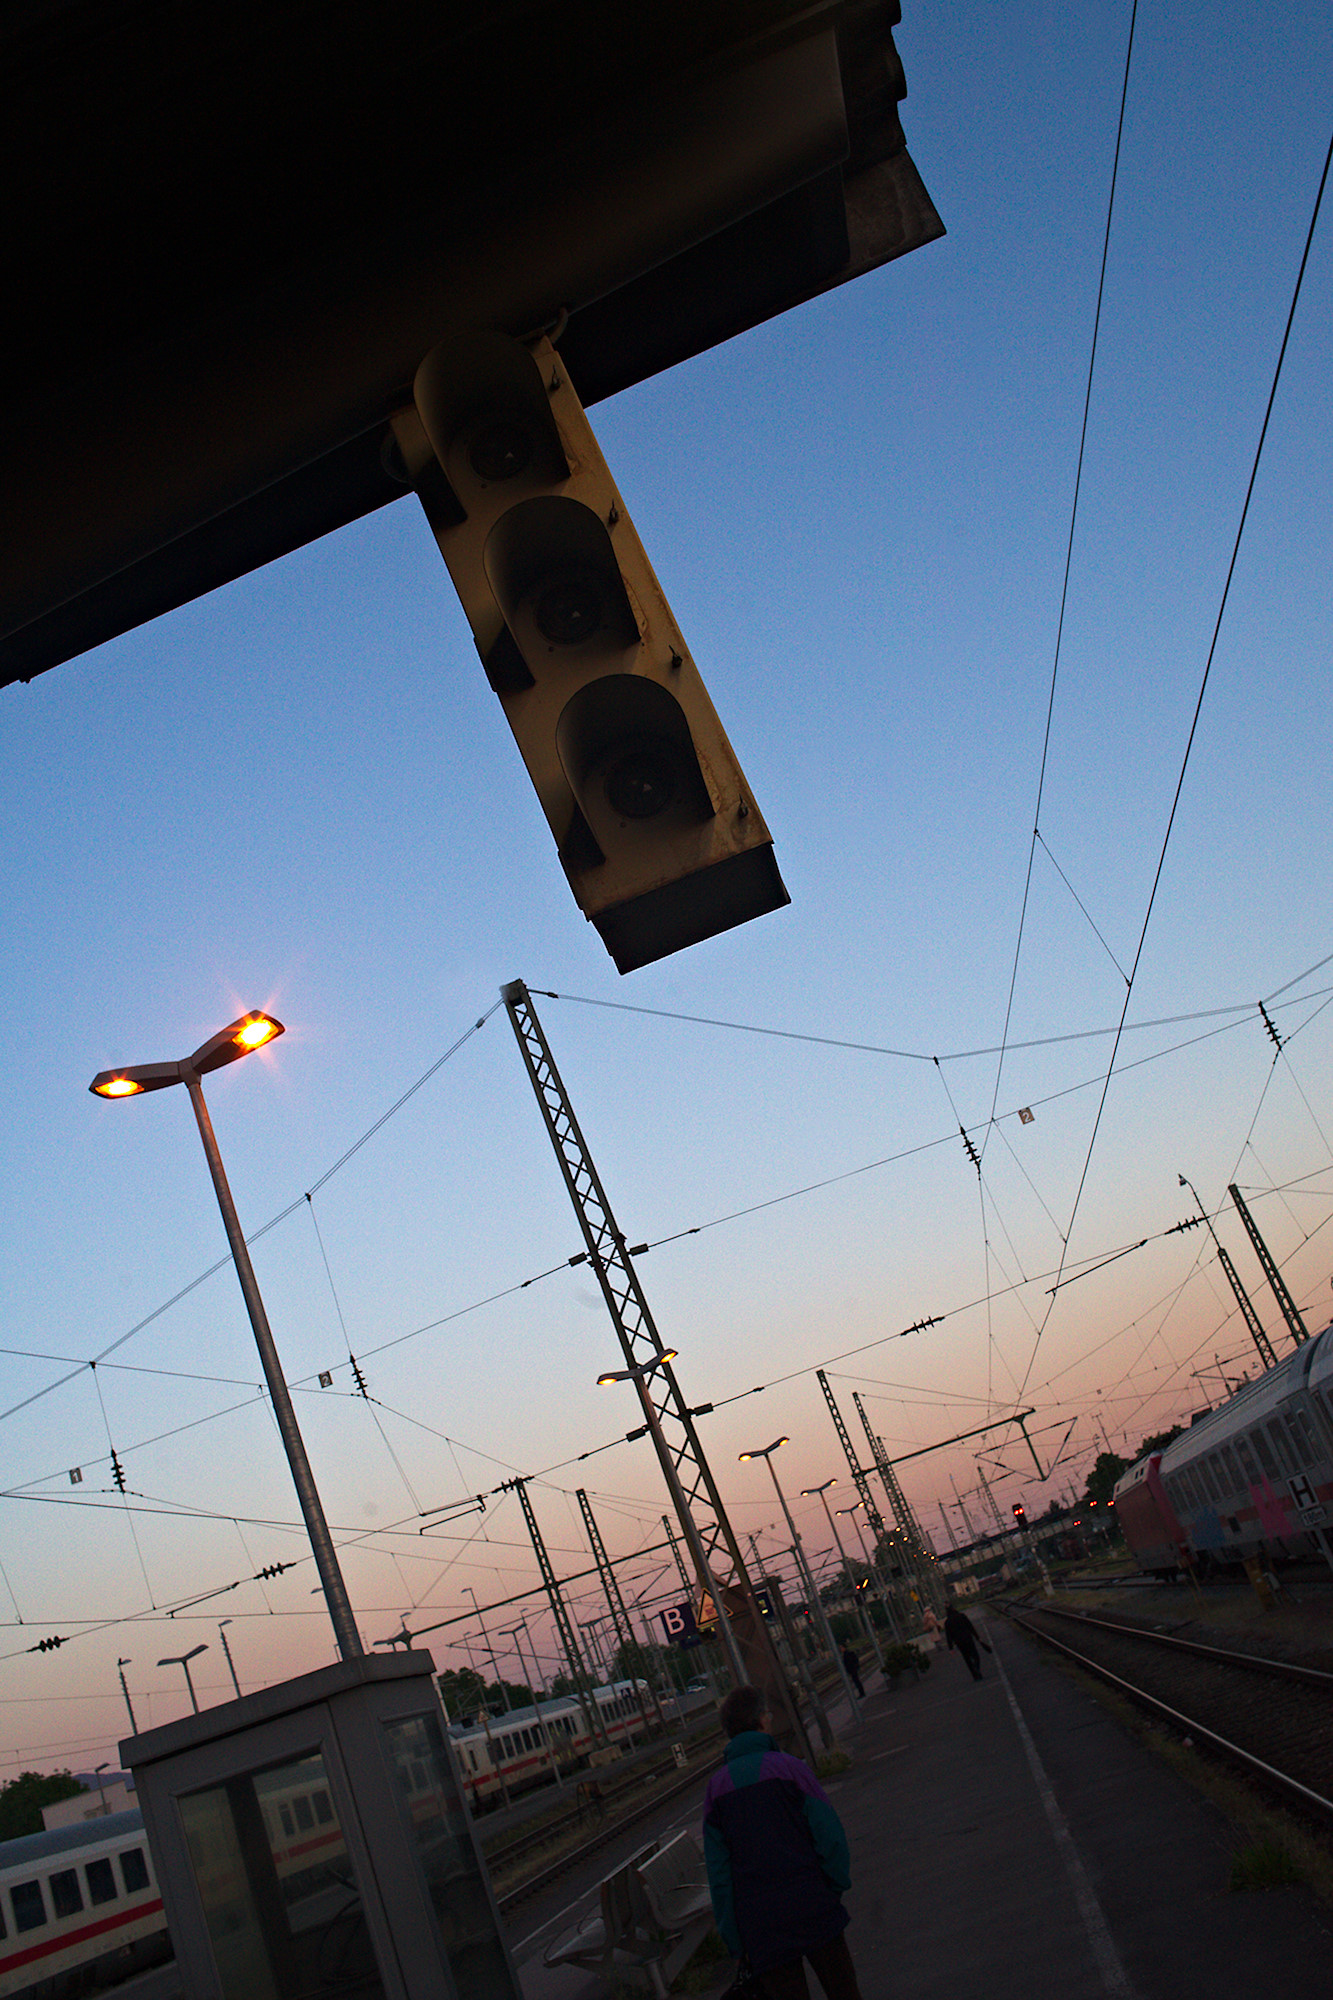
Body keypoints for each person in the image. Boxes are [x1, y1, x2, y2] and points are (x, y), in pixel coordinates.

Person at [702, 1685, 864, 2000]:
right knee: (844, 1991)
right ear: (762, 1720)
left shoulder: (716, 1790)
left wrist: (734, 1938)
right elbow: (829, 1835)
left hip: (761, 1925)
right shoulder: (791, 1768)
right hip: (813, 1904)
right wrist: (833, 1886)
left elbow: (719, 1874)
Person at [943, 1601, 991, 1681]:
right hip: (968, 1638)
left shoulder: (947, 1622)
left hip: (959, 1642)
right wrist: (977, 1637)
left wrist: (950, 1648)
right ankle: (976, 1667)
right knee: (975, 1655)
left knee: (967, 1658)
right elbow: (970, 1627)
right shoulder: (962, 1616)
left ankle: (975, 1675)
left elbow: (948, 1636)